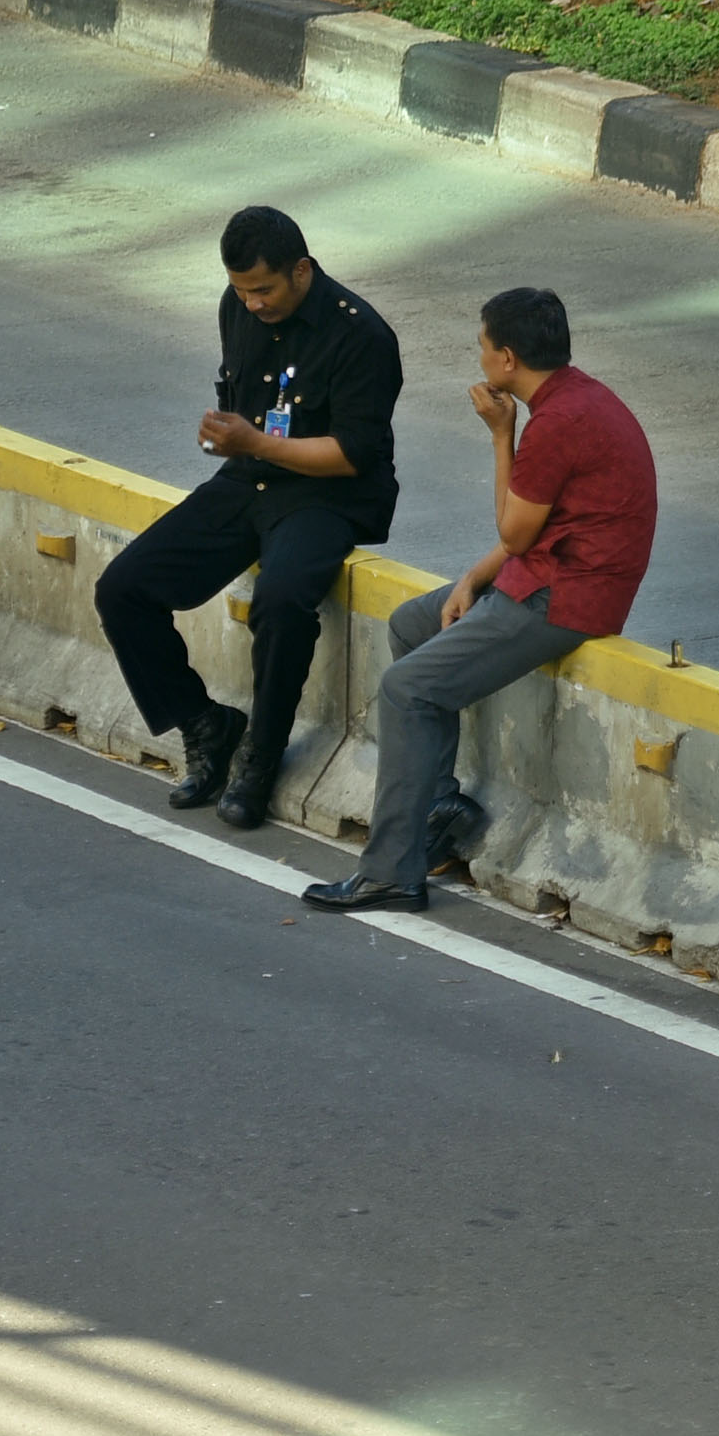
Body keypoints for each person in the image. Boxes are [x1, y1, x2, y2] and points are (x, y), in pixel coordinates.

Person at [305, 286, 657, 913]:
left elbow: (514, 530)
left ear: (507, 360)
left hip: (564, 596)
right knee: (415, 624)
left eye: (483, 346)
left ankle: (390, 872)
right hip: (548, 569)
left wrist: (502, 435)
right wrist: (472, 578)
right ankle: (437, 801)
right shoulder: (579, 396)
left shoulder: (553, 425)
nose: (480, 355)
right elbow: (539, 527)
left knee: (406, 689)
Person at [95, 205, 401, 830]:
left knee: (283, 600)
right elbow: (240, 401)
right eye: (241, 291)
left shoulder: (360, 334)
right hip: (249, 480)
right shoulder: (235, 306)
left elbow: (350, 455)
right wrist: (224, 436)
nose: (252, 304)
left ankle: (261, 755)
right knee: (123, 588)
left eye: (263, 290)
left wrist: (254, 442)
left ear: (301, 271)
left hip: (325, 496)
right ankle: (207, 725)